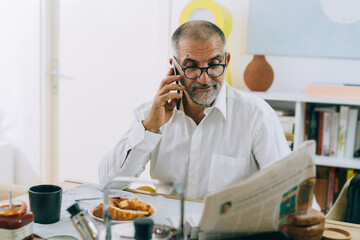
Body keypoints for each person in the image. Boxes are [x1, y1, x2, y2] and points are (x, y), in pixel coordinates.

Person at [99, 20, 325, 239]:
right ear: (175, 66)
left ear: (226, 60)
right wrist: (150, 127)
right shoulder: (152, 113)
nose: (205, 78)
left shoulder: (257, 116)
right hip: (169, 234)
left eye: (214, 65)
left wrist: (309, 215)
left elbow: (288, 185)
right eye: (191, 67)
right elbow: (109, 181)